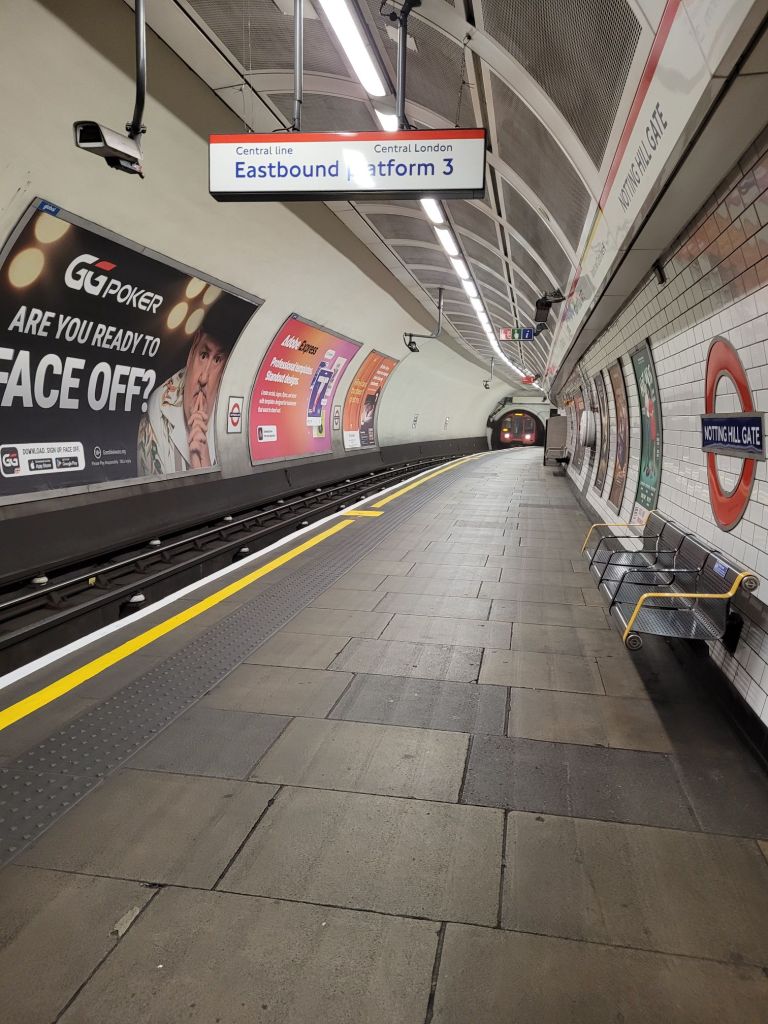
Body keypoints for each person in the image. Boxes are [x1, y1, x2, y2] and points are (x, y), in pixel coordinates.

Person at [137, 303, 234, 475]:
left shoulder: (232, 404)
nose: (203, 378)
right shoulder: (157, 410)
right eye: (203, 355)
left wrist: (205, 465)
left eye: (217, 360)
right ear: (193, 348)